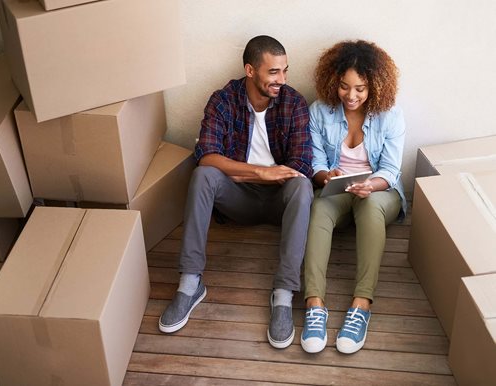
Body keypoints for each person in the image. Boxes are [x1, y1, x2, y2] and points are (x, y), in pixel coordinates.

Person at [159, 35, 314, 349]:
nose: (281, 79)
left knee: (302, 185)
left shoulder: (293, 102)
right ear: (250, 70)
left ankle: (283, 295)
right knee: (203, 175)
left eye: (285, 71)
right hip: (238, 200)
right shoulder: (223, 100)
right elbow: (207, 154)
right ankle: (190, 284)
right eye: (273, 72)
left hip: (280, 201)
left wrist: (268, 176)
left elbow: (301, 164)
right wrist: (258, 171)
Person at [300, 40, 407, 354]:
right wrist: (326, 177)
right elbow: (316, 163)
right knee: (319, 208)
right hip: (337, 189)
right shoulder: (319, 111)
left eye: (360, 88)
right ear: (334, 82)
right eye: (344, 87)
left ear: (374, 86)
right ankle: (314, 305)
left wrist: (370, 185)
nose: (351, 95)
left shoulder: (390, 116)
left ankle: (361, 305)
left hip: (379, 192)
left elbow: (390, 169)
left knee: (370, 206)